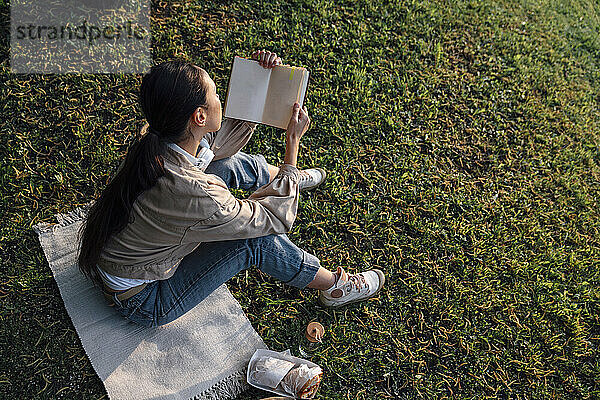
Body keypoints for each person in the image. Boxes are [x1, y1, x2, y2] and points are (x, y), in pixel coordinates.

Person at [77, 49, 385, 328]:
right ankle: (334, 286)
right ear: (199, 116)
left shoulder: (157, 142)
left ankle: (284, 180)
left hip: (123, 258)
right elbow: (273, 219)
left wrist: (259, 78)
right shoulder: (194, 192)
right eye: (214, 93)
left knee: (226, 164)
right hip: (144, 301)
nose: (219, 99)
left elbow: (217, 144)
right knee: (251, 242)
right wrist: (292, 147)